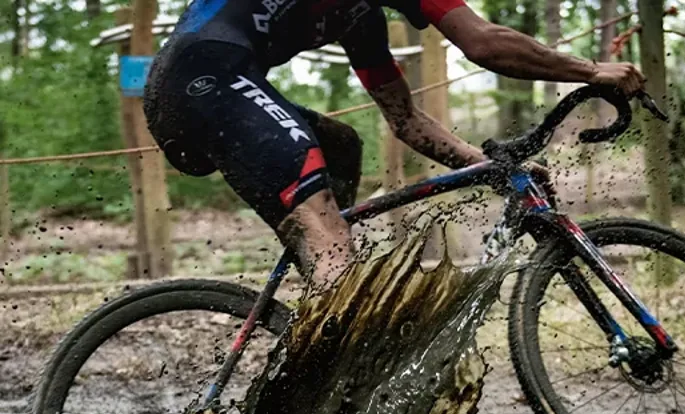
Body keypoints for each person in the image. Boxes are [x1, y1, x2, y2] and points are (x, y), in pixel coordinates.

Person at [144, 0, 646, 290]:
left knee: (341, 146)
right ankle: (340, 374)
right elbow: (484, 43)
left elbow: (404, 120)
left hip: (212, 79)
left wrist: (491, 167)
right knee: (317, 210)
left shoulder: (361, 20)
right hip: (203, 78)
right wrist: (591, 70)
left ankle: (322, 304)